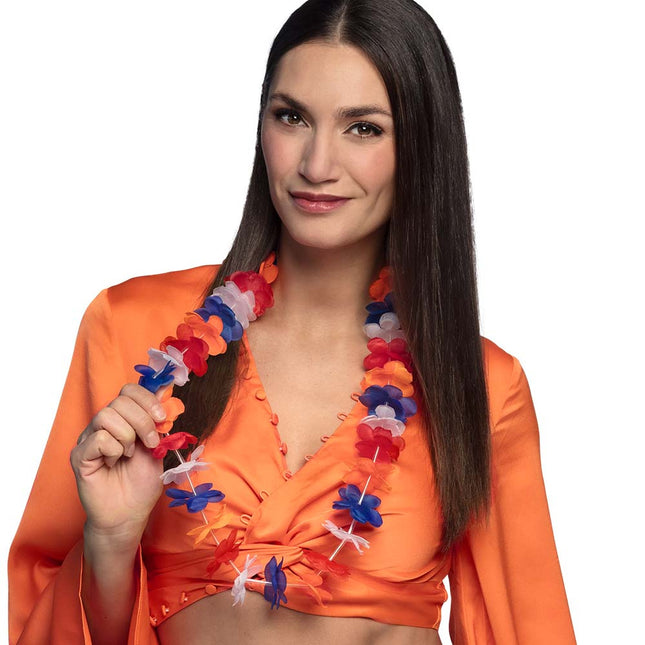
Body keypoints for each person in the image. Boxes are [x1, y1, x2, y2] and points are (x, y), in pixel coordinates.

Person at [8, 0, 576, 643]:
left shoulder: (481, 383)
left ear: (420, 148)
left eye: (363, 128)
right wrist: (110, 541)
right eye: (292, 117)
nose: (316, 165)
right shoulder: (132, 330)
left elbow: (527, 629)